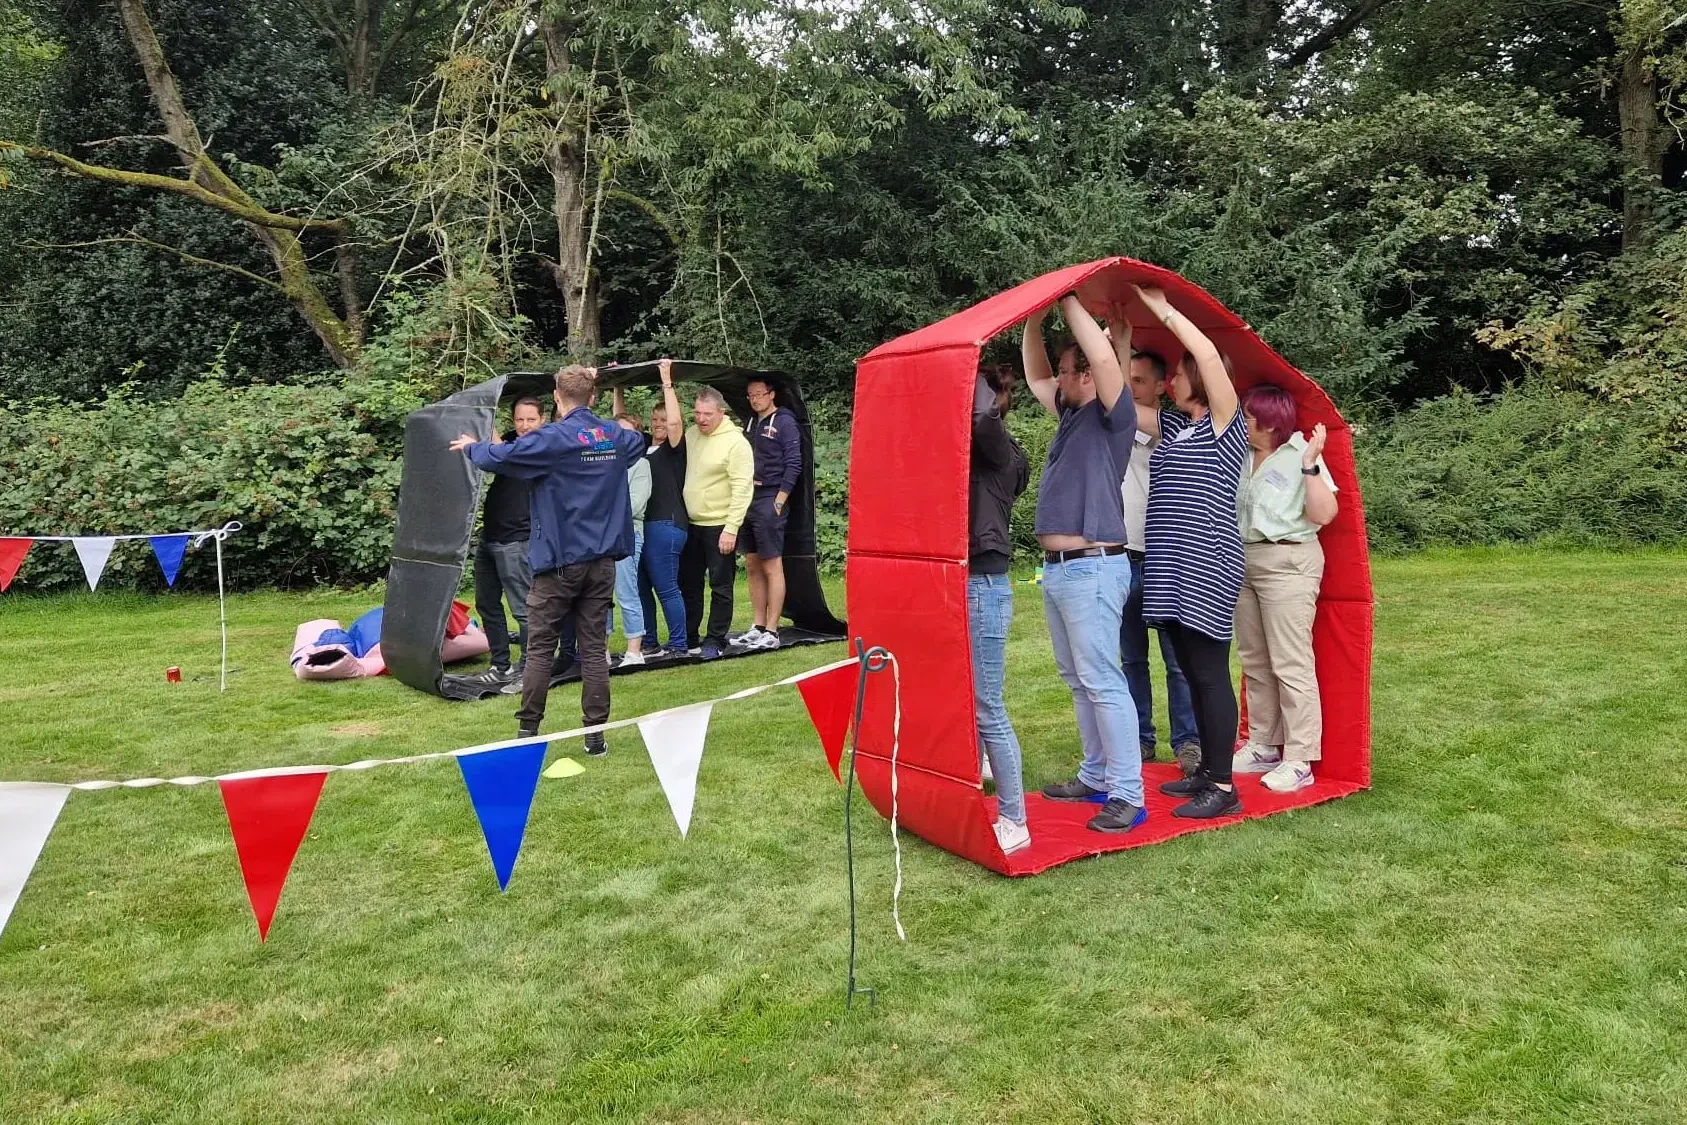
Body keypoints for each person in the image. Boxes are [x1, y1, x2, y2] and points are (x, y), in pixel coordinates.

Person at [449, 365, 646, 752]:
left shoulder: (553, 439)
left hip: (558, 565)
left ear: (556, 398)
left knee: (540, 646)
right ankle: (594, 736)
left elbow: (501, 457)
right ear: (593, 397)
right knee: (593, 649)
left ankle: (528, 733)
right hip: (602, 563)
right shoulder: (612, 436)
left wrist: (472, 446)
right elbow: (636, 441)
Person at [1024, 294, 1145, 835]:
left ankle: (1127, 793)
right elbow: (1034, 376)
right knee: (1078, 679)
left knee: (1101, 679)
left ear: (1090, 378)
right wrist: (1033, 316)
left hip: (1093, 566)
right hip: (1061, 569)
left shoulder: (1112, 418)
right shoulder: (1072, 417)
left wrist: (1068, 299)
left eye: (1070, 371)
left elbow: (1100, 359)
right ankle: (1096, 774)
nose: (1061, 380)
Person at [1132, 283, 1250, 818]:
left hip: (1205, 563)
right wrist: (1118, 335)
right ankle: (1204, 771)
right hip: (1170, 563)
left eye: (1176, 374)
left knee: (1207, 673)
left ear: (1200, 379)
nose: (1170, 380)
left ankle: (1223, 787)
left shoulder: (1227, 427)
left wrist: (1163, 310)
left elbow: (1204, 352)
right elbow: (1121, 405)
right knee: (1187, 664)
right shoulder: (1180, 427)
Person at [1230, 383, 1338, 793]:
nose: (1242, 421)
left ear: (1270, 422)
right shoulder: (1241, 456)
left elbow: (1325, 513)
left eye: (1248, 416)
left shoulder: (1298, 454)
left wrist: (1311, 465)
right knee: (1254, 658)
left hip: (1288, 561)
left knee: (1290, 660)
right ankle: (1263, 743)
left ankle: (1300, 757)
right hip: (1246, 557)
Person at [1108, 335, 1203, 775]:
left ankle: (1188, 743)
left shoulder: (1177, 428)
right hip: (1120, 556)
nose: (1129, 389)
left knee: (1177, 661)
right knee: (1129, 658)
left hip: (1166, 559)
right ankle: (1139, 739)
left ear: (1164, 386)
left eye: (1140, 382)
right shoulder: (1111, 425)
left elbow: (1127, 409)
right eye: (1125, 381)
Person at [968, 362, 1032, 853]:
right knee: (970, 697)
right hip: (967, 581)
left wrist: (967, 370)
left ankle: (1015, 818)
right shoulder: (980, 450)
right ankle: (979, 770)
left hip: (985, 586)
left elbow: (985, 421)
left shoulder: (997, 445)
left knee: (989, 705)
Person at [468, 396, 544, 685]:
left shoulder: (541, 446)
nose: (524, 426)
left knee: (524, 609)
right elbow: (495, 451)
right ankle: (501, 666)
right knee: (486, 603)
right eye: (519, 419)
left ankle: (529, 669)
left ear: (542, 420)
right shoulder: (513, 440)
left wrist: (484, 428)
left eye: (531, 419)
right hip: (490, 537)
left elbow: (500, 455)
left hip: (517, 540)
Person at [679, 385, 753, 659]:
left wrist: (731, 528)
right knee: (690, 584)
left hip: (720, 525)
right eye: (697, 413)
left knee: (720, 586)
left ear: (721, 412)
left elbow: (743, 488)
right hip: (691, 523)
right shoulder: (692, 434)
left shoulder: (736, 443)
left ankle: (715, 638)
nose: (701, 419)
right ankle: (688, 635)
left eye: (707, 414)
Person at [732, 377, 803, 651]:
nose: (754, 400)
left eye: (759, 395)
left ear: (771, 395)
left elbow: (794, 463)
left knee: (772, 563)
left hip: (771, 497)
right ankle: (758, 625)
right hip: (749, 497)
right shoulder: (751, 423)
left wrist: (779, 500)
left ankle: (772, 630)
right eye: (750, 396)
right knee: (752, 562)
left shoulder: (784, 422)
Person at [626, 361, 688, 659]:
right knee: (640, 587)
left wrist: (666, 381)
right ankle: (650, 641)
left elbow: (675, 424)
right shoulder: (641, 446)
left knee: (666, 586)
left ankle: (678, 644)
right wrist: (617, 385)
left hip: (666, 523)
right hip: (641, 525)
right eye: (654, 419)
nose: (659, 424)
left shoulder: (675, 448)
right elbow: (620, 422)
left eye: (663, 419)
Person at [608, 412, 652, 666]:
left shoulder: (641, 465)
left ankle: (634, 651)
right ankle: (599, 650)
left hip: (627, 536)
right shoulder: (604, 460)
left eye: (627, 433)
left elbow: (635, 504)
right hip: (602, 537)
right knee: (600, 596)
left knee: (626, 592)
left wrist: (604, 509)